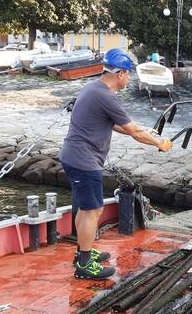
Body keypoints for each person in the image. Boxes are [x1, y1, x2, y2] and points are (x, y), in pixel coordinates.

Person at [60, 48, 173, 280]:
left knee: (86, 208)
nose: (129, 78)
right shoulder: (105, 96)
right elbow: (133, 132)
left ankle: (84, 252)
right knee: (93, 210)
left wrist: (145, 131)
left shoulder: (94, 89)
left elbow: (117, 125)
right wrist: (159, 142)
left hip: (75, 156)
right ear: (120, 73)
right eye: (128, 73)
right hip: (84, 160)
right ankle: (84, 264)